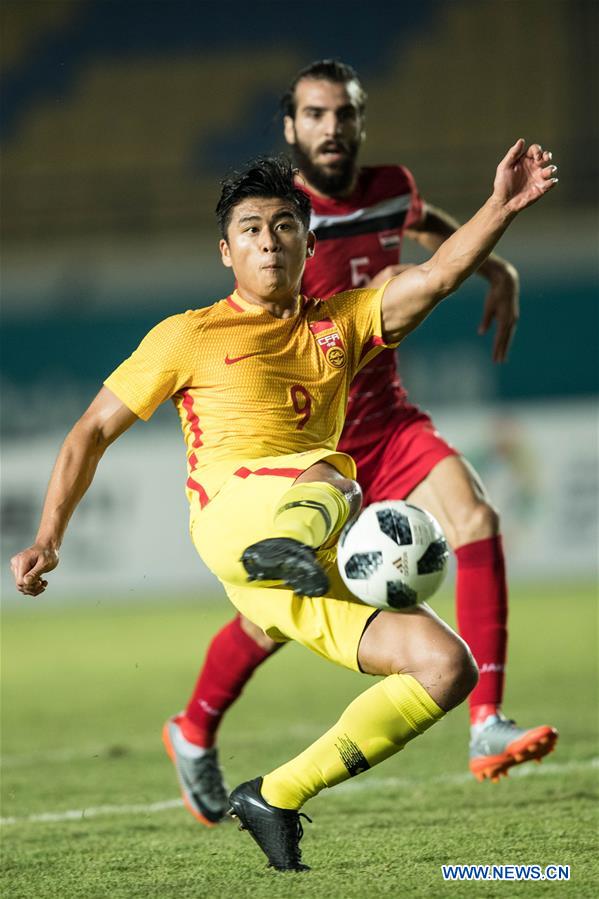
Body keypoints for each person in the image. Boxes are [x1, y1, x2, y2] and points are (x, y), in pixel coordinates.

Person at [12, 144, 557, 871]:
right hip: (234, 517)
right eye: (249, 229)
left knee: (443, 667)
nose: (267, 239)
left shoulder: (344, 320)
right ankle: (286, 555)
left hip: (296, 552)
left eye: (281, 225)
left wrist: (500, 207)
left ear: (308, 240)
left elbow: (435, 275)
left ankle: (275, 794)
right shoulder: (187, 335)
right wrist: (49, 535)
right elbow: (91, 430)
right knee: (340, 471)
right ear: (225, 251)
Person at [161, 60, 559, 827]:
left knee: (473, 517)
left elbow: (429, 231)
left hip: (389, 418)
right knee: (274, 614)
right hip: (311, 444)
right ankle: (194, 726)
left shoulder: (390, 188)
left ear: (360, 120)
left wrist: (496, 264)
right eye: (314, 115)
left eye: (343, 114)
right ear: (291, 127)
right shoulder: (280, 219)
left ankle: (485, 722)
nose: (331, 129)